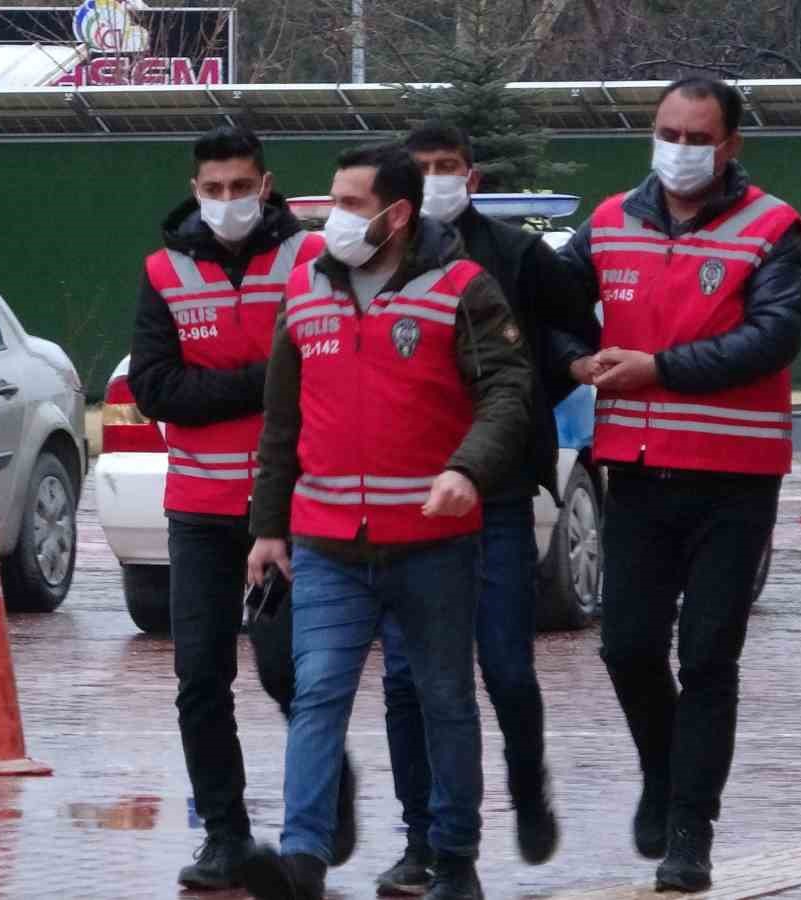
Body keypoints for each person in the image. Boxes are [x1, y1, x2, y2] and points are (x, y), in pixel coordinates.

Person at [238, 142, 533, 900]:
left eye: (350, 204)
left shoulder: (464, 289)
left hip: (431, 544)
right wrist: (269, 527)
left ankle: (454, 858)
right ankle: (302, 860)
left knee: (443, 699)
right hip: (328, 543)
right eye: (332, 200)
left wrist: (468, 470)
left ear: (397, 215)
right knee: (319, 694)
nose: (332, 217)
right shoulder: (304, 292)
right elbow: (282, 423)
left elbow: (507, 392)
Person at [558, 77, 801, 893]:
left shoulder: (772, 229)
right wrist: (573, 358)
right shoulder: (608, 222)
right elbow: (553, 305)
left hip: (734, 481)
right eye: (669, 131)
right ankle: (664, 776)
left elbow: (773, 339)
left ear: (731, 146)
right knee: (627, 645)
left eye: (699, 137)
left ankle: (689, 830)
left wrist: (656, 369)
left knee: (707, 657)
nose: (680, 149)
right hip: (636, 469)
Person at [368, 122, 602, 894]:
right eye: (423, 168)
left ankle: (527, 785)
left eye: (449, 167)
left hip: (496, 495)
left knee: (503, 665)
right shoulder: (374, 262)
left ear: (471, 176)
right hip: (410, 499)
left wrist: (537, 398)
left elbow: (573, 332)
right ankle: (422, 838)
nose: (437, 178)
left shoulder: (515, 253)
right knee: (408, 679)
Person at [127, 125, 347, 892]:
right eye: (212, 189)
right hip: (198, 507)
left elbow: (335, 363)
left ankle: (324, 793)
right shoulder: (164, 271)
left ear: (266, 184)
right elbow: (156, 388)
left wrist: (223, 387)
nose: (227, 202)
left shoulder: (310, 260)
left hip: (289, 506)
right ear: (196, 190)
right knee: (199, 678)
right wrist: (267, 381)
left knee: (288, 671)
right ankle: (225, 835)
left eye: (240, 187)